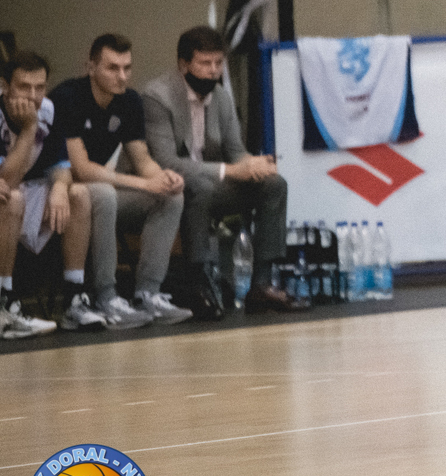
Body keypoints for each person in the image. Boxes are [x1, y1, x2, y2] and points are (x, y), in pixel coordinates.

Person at [143, 26, 306, 314]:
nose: (213, 71)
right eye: (205, 63)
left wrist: (254, 165)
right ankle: (199, 281)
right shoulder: (157, 97)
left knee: (274, 184)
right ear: (183, 65)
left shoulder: (221, 97)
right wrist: (231, 171)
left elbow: (235, 152)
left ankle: (262, 284)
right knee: (201, 187)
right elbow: (166, 161)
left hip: (211, 183)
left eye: (218, 63)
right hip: (169, 186)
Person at [52, 34, 186, 328]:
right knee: (104, 193)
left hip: (102, 193)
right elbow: (81, 169)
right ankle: (106, 296)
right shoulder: (68, 97)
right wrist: (143, 184)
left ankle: (148, 293)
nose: (122, 76)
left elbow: (142, 159)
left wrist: (163, 177)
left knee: (170, 197)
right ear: (90, 67)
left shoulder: (130, 101)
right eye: (113, 68)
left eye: (127, 67)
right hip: (65, 192)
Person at [1, 51, 96, 337]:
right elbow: (8, 180)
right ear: (4, 86)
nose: (33, 96)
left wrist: (59, 188)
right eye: (24, 87)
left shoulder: (49, 110)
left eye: (39, 87)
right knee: (12, 198)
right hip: (8, 195)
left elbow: (62, 167)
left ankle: (74, 298)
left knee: (78, 194)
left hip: (26, 191)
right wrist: (29, 128)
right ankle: (5, 303)